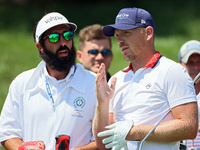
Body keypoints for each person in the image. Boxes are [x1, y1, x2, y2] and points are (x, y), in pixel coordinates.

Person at [92, 7, 198, 150]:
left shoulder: (172, 71)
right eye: (117, 35)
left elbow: (189, 127)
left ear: (148, 33)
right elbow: (103, 144)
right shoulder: (116, 80)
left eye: (126, 33)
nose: (119, 40)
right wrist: (102, 103)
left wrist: (132, 133)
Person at [0, 12, 99, 150]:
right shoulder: (22, 83)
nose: (63, 42)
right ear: (40, 46)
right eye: (54, 38)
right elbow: (7, 132)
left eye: (67, 35)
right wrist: (22, 148)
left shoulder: (94, 84)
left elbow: (104, 140)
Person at [178, 40, 200, 150]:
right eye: (190, 63)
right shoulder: (173, 96)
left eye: (199, 62)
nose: (196, 68)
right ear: (180, 65)